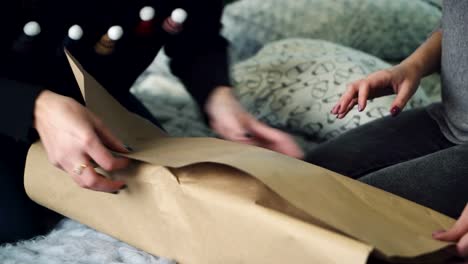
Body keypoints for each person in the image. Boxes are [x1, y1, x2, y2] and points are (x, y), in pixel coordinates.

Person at [0, 0, 303, 244]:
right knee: (16, 226)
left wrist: (218, 96)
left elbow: (196, 34)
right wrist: (36, 106)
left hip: (97, 100)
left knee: (185, 198)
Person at [306, 0, 467, 220]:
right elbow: (457, 21)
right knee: (308, 175)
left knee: (355, 212)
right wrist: (411, 66)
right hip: (448, 120)